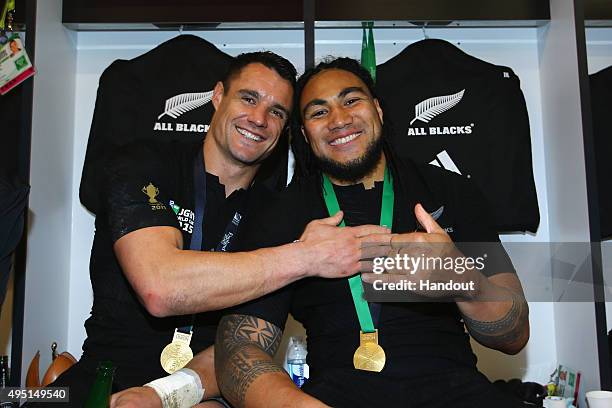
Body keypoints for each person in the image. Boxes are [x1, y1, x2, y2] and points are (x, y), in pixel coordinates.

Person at [32, 52, 392, 408]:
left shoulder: (278, 213)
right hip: (101, 378)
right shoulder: (144, 164)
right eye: (248, 98)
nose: (259, 119)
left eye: (277, 112)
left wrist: (165, 396)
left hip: (201, 391)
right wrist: (305, 256)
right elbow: (160, 289)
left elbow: (241, 346)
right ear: (218, 95)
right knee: (25, 400)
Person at [211, 57, 530, 407]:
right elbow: (239, 349)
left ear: (377, 109)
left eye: (351, 101)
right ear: (303, 133)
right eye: (318, 113)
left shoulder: (450, 191)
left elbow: (513, 335)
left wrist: (459, 277)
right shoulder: (282, 213)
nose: (339, 120)